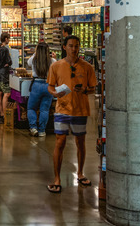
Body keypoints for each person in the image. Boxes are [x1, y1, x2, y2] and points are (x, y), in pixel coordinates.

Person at [46, 34, 98, 193]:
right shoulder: (56, 66)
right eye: (70, 46)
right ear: (64, 47)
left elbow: (93, 88)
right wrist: (54, 94)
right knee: (60, 142)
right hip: (62, 109)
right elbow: (50, 86)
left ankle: (80, 173)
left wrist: (84, 90)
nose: (74, 49)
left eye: (76, 46)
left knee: (80, 142)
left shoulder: (87, 67)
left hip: (80, 110)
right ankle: (57, 178)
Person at [26, 43, 56, 136]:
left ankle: (33, 128)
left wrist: (35, 53)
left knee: (31, 108)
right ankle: (42, 131)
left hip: (36, 85)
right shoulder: (53, 61)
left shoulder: (33, 60)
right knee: (45, 110)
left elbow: (28, 63)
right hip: (48, 86)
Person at [0, 32, 13, 123]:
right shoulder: (5, 49)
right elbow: (9, 61)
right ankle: (5, 115)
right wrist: (9, 63)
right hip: (3, 74)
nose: (9, 40)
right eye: (9, 38)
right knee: (7, 94)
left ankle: (1, 113)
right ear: (6, 39)